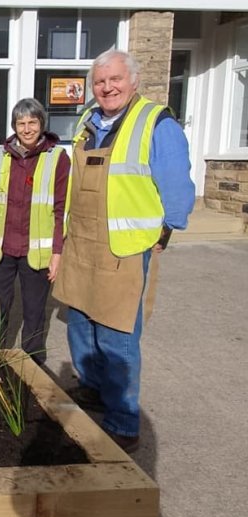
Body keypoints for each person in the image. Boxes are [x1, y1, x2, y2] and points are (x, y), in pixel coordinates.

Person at [53, 49, 195, 453]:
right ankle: (94, 389)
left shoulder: (156, 122)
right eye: (100, 82)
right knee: (81, 323)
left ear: (133, 81)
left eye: (115, 79)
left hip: (125, 248)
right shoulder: (88, 121)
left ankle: (123, 422)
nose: (107, 87)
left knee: (117, 335)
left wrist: (166, 231)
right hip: (82, 242)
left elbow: (177, 187)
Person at [0, 98, 70, 366]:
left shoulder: (57, 158)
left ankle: (33, 363)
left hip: (35, 251)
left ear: (42, 124)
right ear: (14, 126)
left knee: (34, 311)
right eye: (21, 123)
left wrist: (57, 253)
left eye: (32, 122)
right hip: (1, 248)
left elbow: (61, 209)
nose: (27, 129)